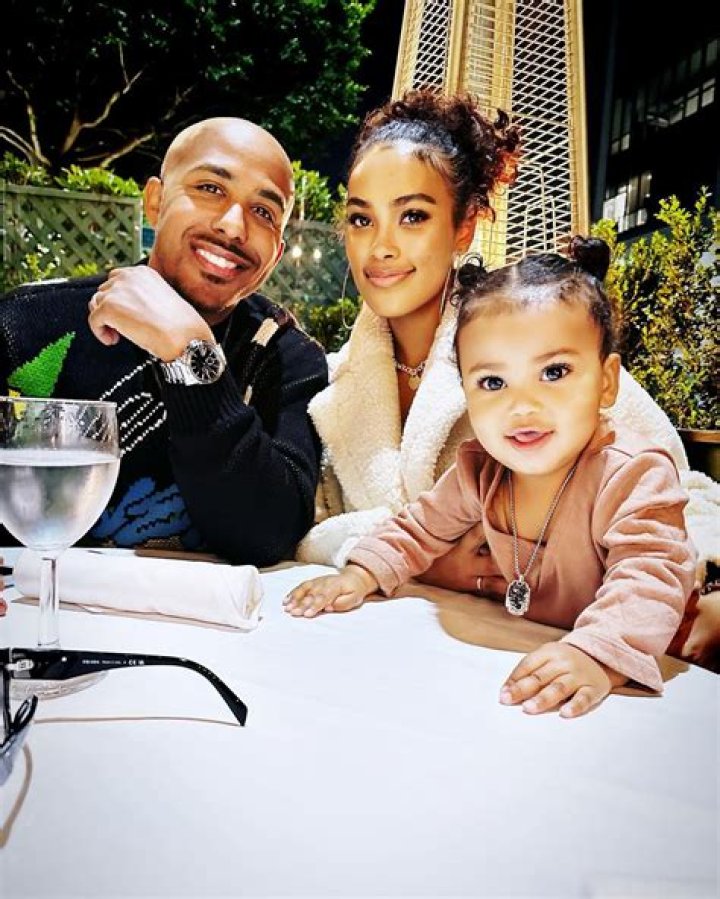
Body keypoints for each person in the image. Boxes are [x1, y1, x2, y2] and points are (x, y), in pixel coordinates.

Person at [294, 89, 719, 665]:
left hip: (602, 648)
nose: (381, 246)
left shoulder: (537, 339)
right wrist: (419, 561)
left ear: (464, 226)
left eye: (412, 215)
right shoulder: (335, 385)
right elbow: (315, 525)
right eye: (360, 218)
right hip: (419, 649)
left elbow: (680, 498)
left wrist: (705, 593)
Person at [285, 239, 700, 715]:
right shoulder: (480, 469)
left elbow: (649, 576)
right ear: (464, 392)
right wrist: (361, 574)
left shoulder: (633, 472)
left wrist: (598, 654)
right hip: (534, 638)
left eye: (554, 372)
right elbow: (417, 529)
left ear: (606, 382)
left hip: (660, 648)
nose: (522, 405)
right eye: (493, 382)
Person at [0, 117, 328, 571]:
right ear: (155, 202)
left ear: (276, 254)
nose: (234, 227)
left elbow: (269, 535)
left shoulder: (286, 356)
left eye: (263, 212)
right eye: (211, 188)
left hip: (203, 615)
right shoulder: (27, 323)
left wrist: (190, 352)